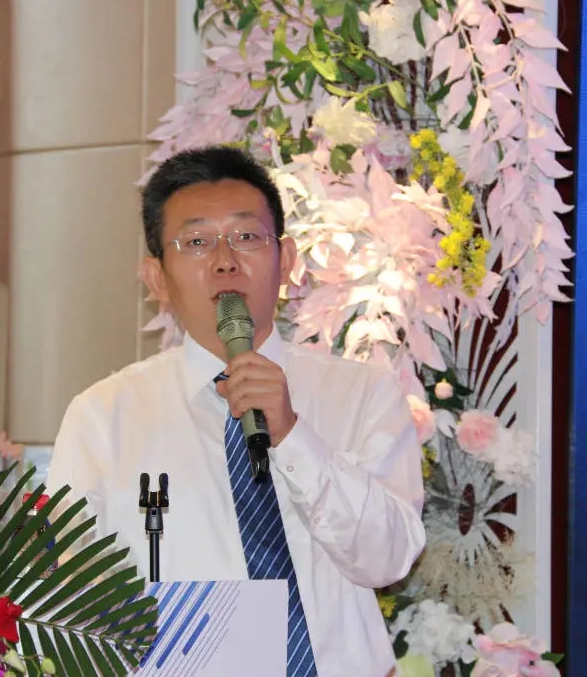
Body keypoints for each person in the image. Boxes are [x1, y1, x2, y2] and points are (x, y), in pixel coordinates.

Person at [47, 146, 426, 677]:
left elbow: (389, 559)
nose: (225, 260)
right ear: (157, 278)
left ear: (286, 260)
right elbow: (70, 600)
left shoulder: (362, 394)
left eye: (247, 237)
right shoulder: (104, 417)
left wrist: (293, 436)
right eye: (197, 242)